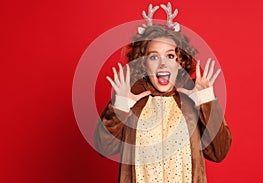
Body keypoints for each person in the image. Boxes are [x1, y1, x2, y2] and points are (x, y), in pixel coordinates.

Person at [94, 2, 232, 183]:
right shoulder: (132, 99)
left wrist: (206, 102)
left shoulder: (192, 100)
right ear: (143, 63)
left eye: (170, 56)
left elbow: (219, 152)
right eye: (153, 56)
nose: (163, 64)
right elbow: (104, 148)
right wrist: (120, 106)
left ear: (180, 61)